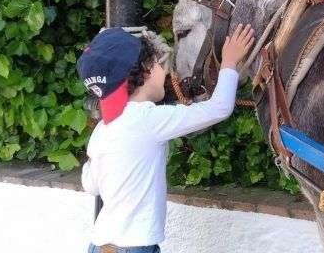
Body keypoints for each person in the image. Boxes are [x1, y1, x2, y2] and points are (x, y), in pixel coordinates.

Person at [77, 24, 255, 253]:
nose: (167, 72)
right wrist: (229, 62)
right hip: (134, 247)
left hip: (99, 243)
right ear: (147, 70)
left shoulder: (103, 128)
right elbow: (219, 108)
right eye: (160, 64)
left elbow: (90, 185)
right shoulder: (148, 119)